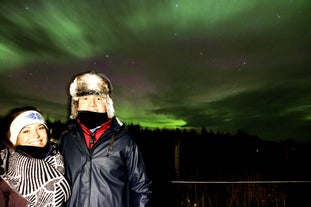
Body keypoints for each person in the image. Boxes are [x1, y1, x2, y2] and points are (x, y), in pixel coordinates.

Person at [59, 71, 152, 207]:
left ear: (108, 105)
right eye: (85, 98)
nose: (92, 104)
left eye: (99, 99)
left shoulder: (124, 140)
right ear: (76, 105)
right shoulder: (65, 139)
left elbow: (141, 187)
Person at [0, 106, 71, 207]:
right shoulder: (5, 169)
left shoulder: (60, 160)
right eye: (26, 131)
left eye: (40, 128)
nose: (36, 135)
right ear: (15, 137)